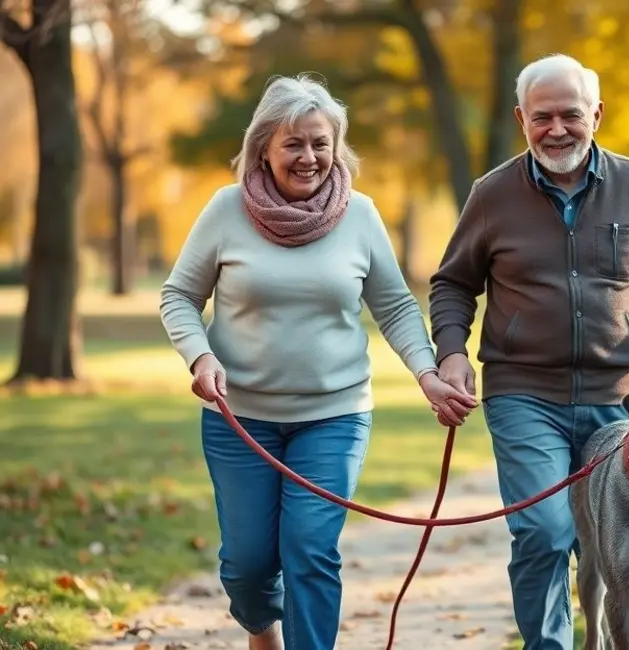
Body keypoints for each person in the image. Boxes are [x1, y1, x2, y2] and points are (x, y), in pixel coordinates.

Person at [159, 73, 476, 650]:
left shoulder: (360, 214)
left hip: (334, 415)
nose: (309, 157)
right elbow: (178, 294)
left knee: (309, 548)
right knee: (248, 566)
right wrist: (199, 356)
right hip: (241, 419)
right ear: (264, 148)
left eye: (320, 143)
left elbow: (397, 306)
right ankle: (262, 630)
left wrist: (428, 373)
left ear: (337, 146)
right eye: (293, 144)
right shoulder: (226, 210)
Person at [427, 54, 629, 649]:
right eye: (542, 117)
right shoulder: (492, 194)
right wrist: (451, 352)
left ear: (597, 115)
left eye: (571, 115)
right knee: (544, 532)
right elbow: (453, 283)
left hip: (627, 402)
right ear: (521, 119)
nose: (557, 129)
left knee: (610, 545)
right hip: (524, 395)